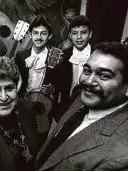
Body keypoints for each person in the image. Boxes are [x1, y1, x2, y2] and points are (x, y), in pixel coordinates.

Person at [36, 42, 128, 170]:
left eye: (104, 75)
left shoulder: (121, 156)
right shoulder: (82, 99)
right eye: (87, 70)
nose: (88, 81)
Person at [14, 14, 62, 143]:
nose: (39, 37)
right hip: (23, 105)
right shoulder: (21, 56)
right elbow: (15, 81)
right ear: (30, 34)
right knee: (22, 139)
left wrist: (53, 88)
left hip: (43, 108)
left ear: (50, 35)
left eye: (43, 33)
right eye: (35, 33)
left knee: (40, 141)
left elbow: (61, 82)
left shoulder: (56, 57)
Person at [59, 15, 93, 113]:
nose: (78, 37)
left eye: (83, 33)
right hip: (66, 107)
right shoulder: (64, 55)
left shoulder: (97, 55)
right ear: (70, 35)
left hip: (90, 107)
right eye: (74, 33)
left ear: (90, 34)